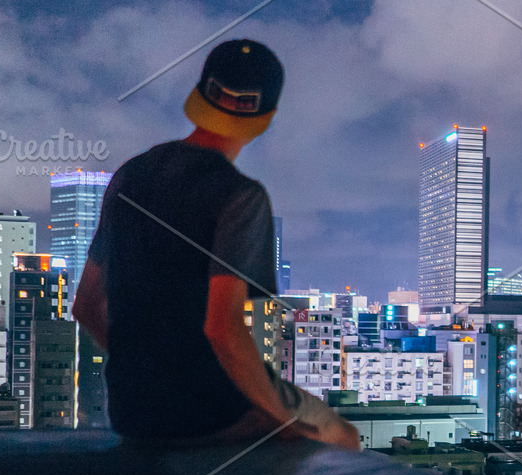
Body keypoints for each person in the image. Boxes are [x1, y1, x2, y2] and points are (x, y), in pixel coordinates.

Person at [71, 39, 360, 449]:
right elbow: (222, 329)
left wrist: (148, 374)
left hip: (130, 413)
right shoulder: (241, 197)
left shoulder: (129, 176)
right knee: (342, 436)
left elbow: (84, 305)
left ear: (201, 93)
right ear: (266, 116)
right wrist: (285, 423)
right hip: (207, 414)